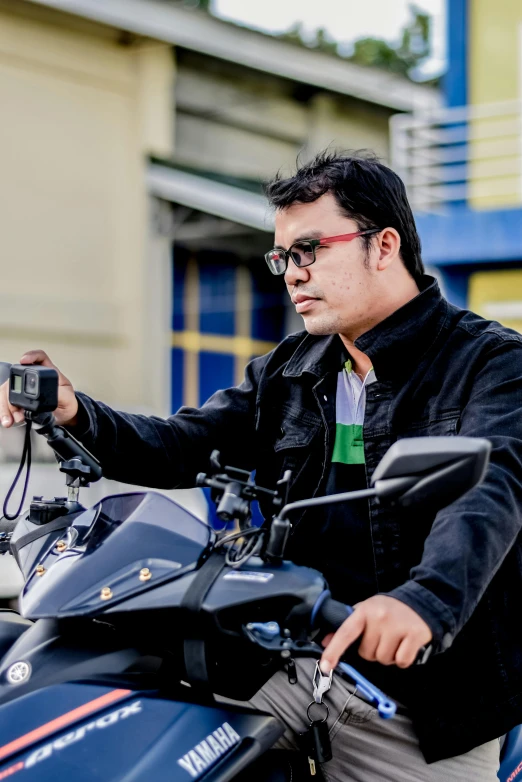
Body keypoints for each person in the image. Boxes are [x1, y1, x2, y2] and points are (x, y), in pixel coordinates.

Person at [2, 151, 522, 781]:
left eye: (309, 250)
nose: (291, 274)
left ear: (383, 246)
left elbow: (491, 486)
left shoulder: (491, 365)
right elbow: (182, 444)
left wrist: (424, 603)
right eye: (282, 257)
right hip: (282, 658)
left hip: (420, 693)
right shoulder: (293, 368)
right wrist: (73, 411)